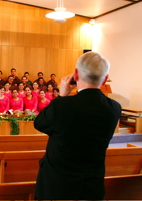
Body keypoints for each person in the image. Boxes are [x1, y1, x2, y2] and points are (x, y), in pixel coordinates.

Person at [33, 52, 121, 200]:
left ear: (76, 74)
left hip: (57, 187)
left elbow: (40, 123)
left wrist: (61, 96)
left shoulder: (62, 105)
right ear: (105, 79)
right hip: (92, 187)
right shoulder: (114, 107)